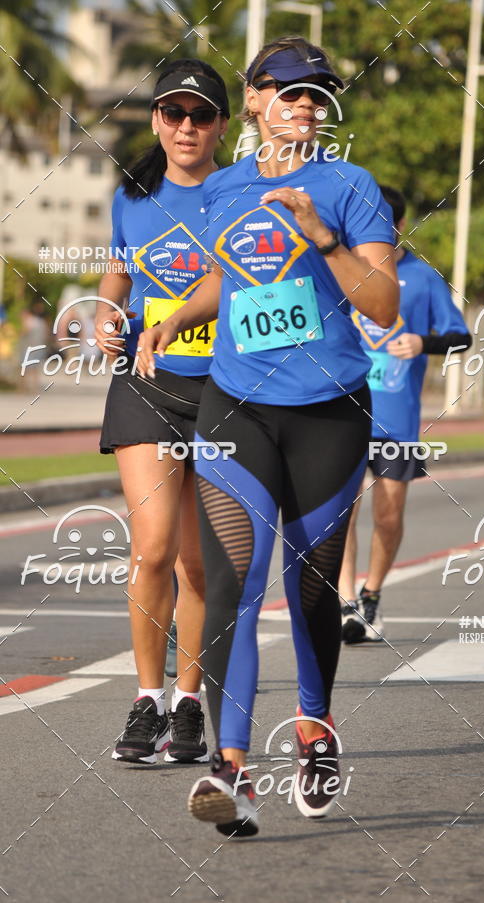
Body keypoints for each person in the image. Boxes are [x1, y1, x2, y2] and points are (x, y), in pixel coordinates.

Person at [137, 35, 398, 834]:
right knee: (232, 584)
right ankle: (233, 768)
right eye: (287, 91)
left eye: (316, 93)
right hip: (236, 405)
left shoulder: (351, 186)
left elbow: (383, 302)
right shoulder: (222, 188)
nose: (304, 105)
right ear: (253, 100)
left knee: (311, 589)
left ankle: (315, 733)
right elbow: (231, 273)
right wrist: (179, 313)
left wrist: (322, 234)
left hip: (328, 409)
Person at [95, 59, 229, 764]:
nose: (185, 127)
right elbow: (120, 266)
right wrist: (106, 311)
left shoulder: (239, 193)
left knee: (198, 566)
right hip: (146, 383)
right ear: (155, 120)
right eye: (173, 113)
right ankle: (146, 697)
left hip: (223, 394)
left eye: (200, 115)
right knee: (151, 548)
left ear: (221, 127)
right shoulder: (133, 195)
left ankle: (188, 702)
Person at [339, 186, 472, 643]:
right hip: (342, 415)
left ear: (395, 226)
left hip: (396, 420)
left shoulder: (423, 277)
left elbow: (460, 336)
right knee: (343, 511)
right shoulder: (340, 269)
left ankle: (371, 594)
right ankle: (345, 603)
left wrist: (422, 342)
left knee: (389, 513)